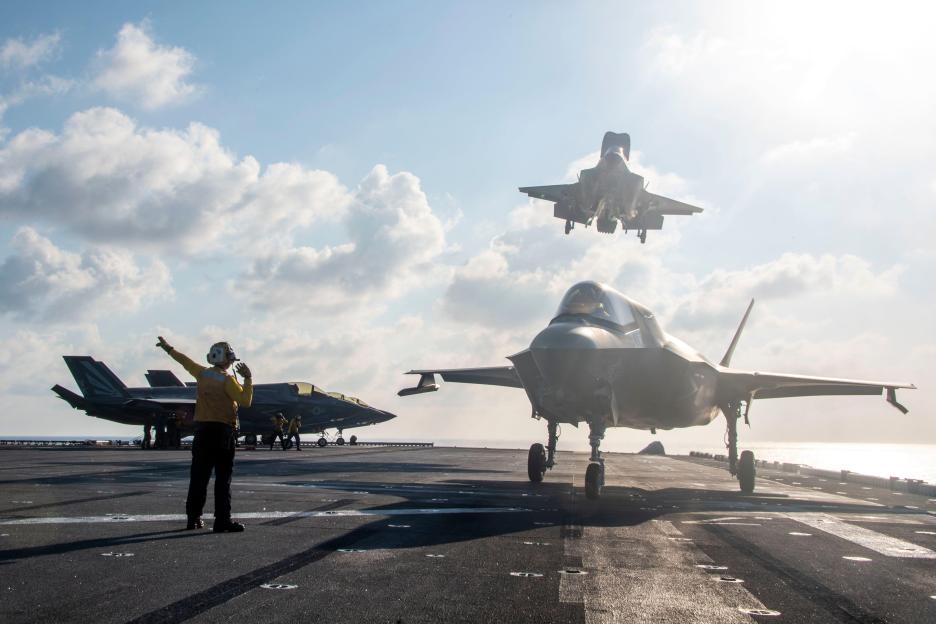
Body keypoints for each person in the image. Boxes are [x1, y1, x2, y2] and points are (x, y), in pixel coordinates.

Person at [156, 336, 253, 533]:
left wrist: (168, 348)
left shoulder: (202, 374)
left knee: (198, 477)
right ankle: (222, 521)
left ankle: (193, 518)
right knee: (223, 479)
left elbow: (184, 361)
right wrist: (248, 379)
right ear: (228, 358)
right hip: (223, 433)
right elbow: (245, 401)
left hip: (202, 433)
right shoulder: (227, 379)